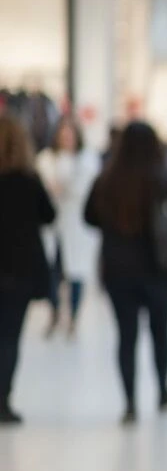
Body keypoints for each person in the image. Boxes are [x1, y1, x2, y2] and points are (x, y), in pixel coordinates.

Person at [85, 122, 167, 424]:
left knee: (126, 337)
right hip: (159, 269)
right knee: (161, 334)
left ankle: (130, 403)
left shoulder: (105, 179)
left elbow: (89, 216)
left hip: (117, 270)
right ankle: (162, 392)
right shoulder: (164, 177)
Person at [0, 115, 56, 424]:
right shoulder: (28, 180)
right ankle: (3, 400)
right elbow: (49, 214)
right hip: (19, 272)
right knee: (9, 339)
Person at [37, 115, 102, 338]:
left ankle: (73, 316)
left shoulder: (87, 159)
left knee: (76, 273)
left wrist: (63, 188)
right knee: (52, 272)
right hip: (53, 224)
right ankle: (55, 312)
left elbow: (83, 187)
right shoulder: (46, 159)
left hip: (77, 224)